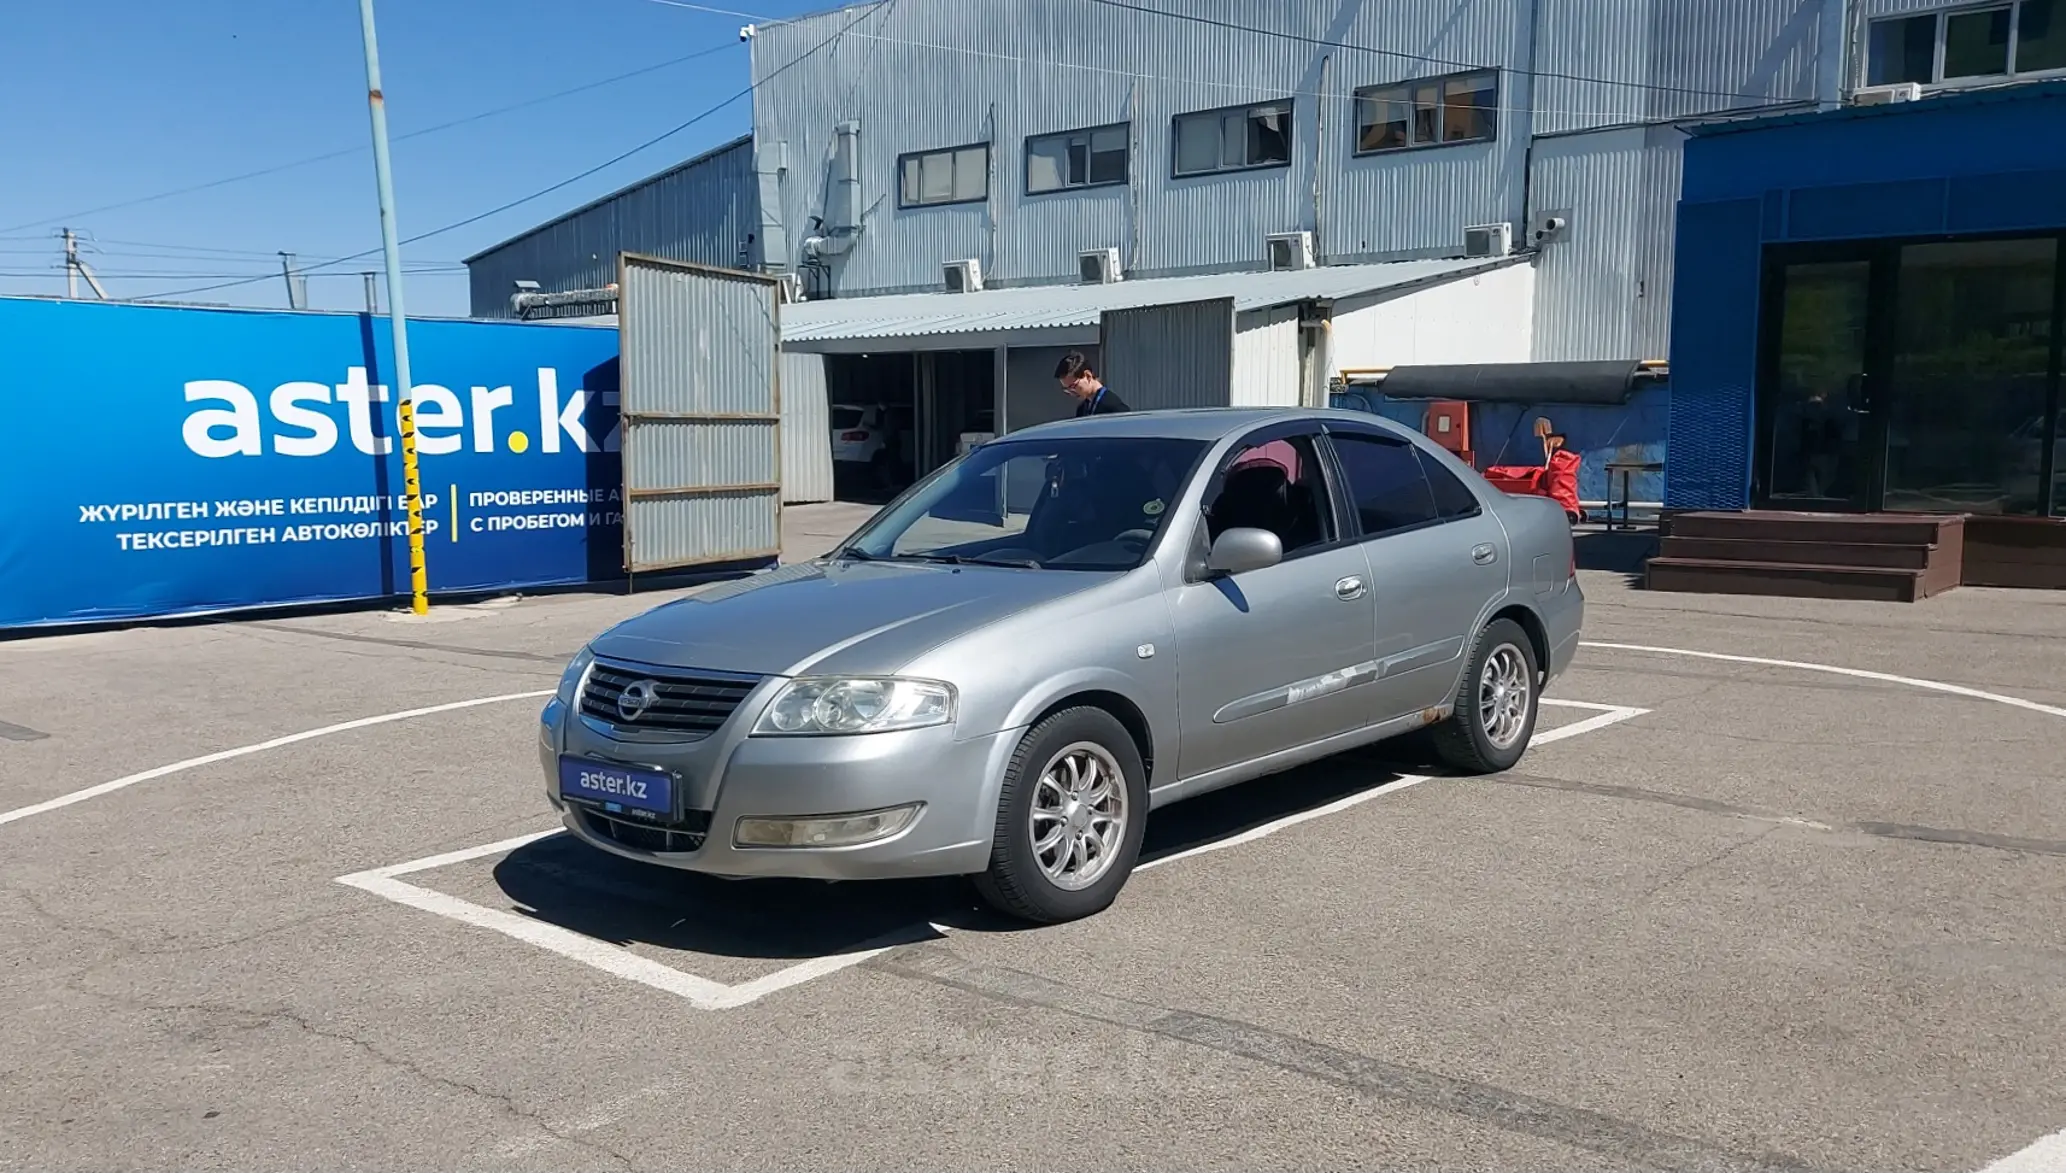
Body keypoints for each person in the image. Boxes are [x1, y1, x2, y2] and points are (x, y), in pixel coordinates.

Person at [1055, 351, 1130, 417]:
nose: (1071, 393)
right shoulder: (1082, 409)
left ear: (1088, 376)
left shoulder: (1113, 407)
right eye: (1067, 389)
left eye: (1073, 386)